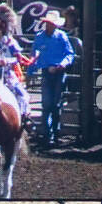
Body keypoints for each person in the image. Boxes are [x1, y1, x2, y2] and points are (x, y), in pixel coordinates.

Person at [26, 10, 75, 148]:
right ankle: (48, 134)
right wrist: (30, 71)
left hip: (58, 72)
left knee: (55, 104)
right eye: (47, 23)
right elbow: (34, 56)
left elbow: (69, 54)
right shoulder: (40, 37)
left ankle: (53, 133)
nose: (49, 26)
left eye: (51, 23)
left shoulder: (61, 37)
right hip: (47, 72)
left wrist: (62, 64)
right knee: (47, 103)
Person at [0, 3, 32, 116]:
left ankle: (24, 118)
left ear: (1, 28)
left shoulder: (10, 42)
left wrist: (7, 61)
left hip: (7, 75)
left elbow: (18, 58)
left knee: (21, 95)